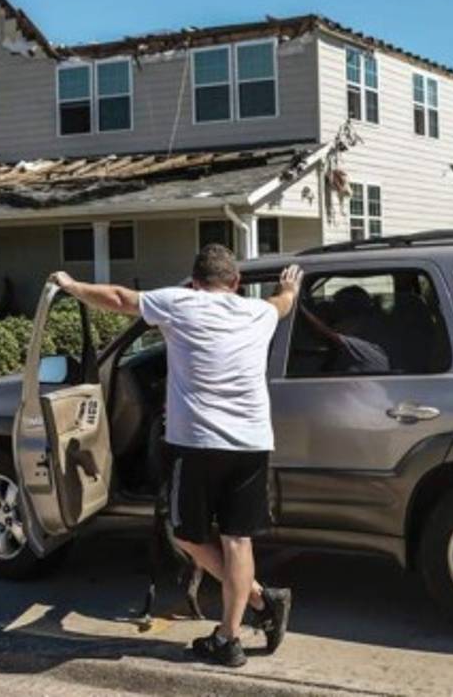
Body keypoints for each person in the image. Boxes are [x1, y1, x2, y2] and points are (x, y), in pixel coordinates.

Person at [51, 244, 302, 667]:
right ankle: (233, 631)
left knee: (187, 534)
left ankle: (256, 605)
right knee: (238, 540)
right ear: (236, 283)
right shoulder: (258, 313)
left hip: (199, 444)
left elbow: (117, 298)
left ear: (195, 281)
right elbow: (282, 304)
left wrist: (71, 285)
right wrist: (289, 290)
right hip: (252, 443)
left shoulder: (180, 302)